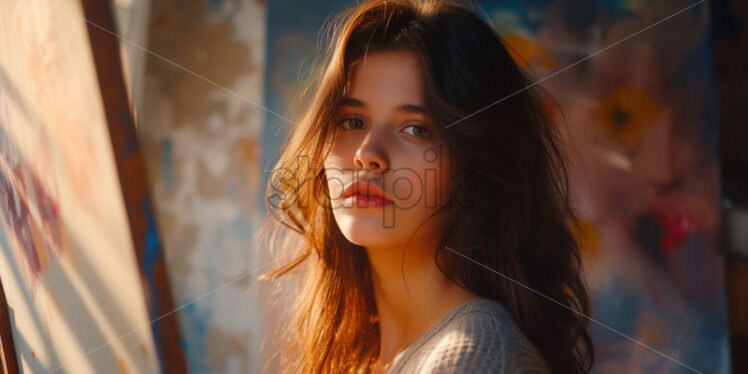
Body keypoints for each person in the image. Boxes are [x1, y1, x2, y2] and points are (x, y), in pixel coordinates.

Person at [257, 0, 594, 372]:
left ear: (476, 164)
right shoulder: (365, 358)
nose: (368, 154)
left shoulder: (475, 360)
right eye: (352, 121)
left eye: (416, 129)